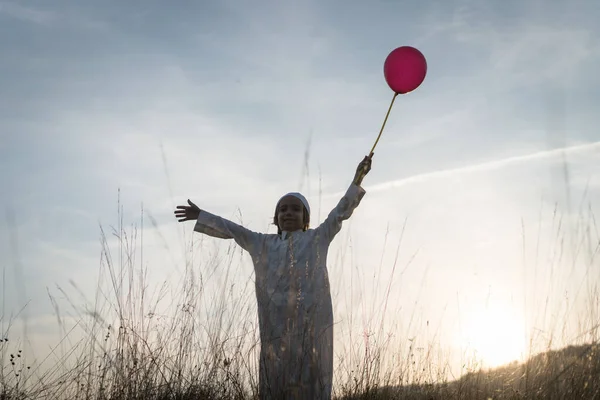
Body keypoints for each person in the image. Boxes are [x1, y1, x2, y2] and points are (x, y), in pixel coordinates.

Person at [174, 155, 373, 399]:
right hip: (276, 328)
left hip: (313, 326)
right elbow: (233, 230)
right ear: (276, 217)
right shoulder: (262, 244)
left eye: (295, 209)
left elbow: (340, 212)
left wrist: (357, 179)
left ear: (305, 218)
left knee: (313, 374)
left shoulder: (317, 238)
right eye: (283, 209)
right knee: (275, 376)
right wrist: (201, 215)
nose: (288, 213)